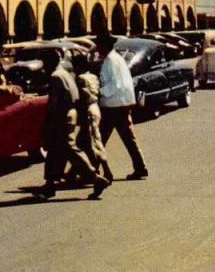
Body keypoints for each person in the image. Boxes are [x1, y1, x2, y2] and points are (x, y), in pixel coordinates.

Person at [37, 52, 111, 201]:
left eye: (45, 62)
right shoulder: (65, 73)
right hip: (70, 113)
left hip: (61, 115)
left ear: (50, 61)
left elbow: (54, 103)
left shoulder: (56, 76)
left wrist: (47, 123)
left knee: (69, 149)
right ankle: (50, 184)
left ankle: (95, 178)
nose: (43, 66)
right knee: (55, 151)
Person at [95, 31, 148, 180]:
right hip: (122, 103)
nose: (97, 49)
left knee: (99, 139)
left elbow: (114, 85)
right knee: (128, 139)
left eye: (99, 46)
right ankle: (140, 167)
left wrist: (99, 93)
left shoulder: (110, 61)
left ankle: (90, 170)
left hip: (114, 106)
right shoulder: (117, 59)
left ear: (105, 46)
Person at [71, 54, 112, 181]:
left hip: (87, 110)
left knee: (93, 142)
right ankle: (77, 172)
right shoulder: (93, 76)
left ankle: (104, 172)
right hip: (95, 108)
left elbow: (83, 95)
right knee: (84, 142)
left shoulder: (81, 79)